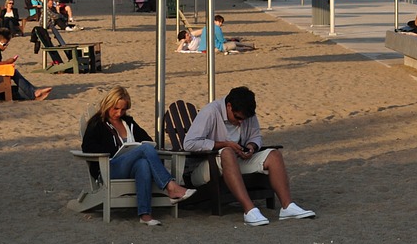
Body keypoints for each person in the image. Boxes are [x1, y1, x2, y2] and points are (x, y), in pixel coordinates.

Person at [182, 86, 315, 227]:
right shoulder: (210, 112)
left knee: (274, 155)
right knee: (227, 151)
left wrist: (251, 147)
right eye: (238, 117)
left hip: (236, 161)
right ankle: (249, 210)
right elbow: (189, 144)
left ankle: (287, 206)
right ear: (228, 106)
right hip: (204, 167)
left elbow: (256, 136)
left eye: (244, 119)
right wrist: (224, 144)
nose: (241, 122)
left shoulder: (247, 115)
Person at [81, 86, 194, 226]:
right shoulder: (97, 124)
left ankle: (145, 215)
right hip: (109, 167)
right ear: (107, 104)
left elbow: (147, 140)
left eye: (123, 109)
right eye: (115, 108)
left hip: (130, 168)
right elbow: (87, 147)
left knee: (143, 164)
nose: (119, 112)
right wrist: (113, 151)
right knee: (144, 149)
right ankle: (171, 186)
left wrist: (133, 151)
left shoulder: (128, 123)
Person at [0, 29, 51, 100]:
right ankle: (34, 93)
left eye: (7, 44)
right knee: (13, 72)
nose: (5, 47)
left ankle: (33, 92)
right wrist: (7, 62)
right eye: (4, 44)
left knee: (13, 84)